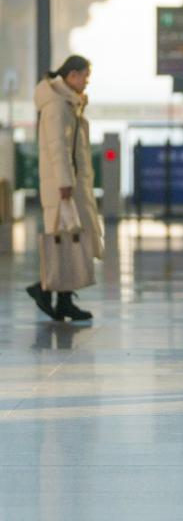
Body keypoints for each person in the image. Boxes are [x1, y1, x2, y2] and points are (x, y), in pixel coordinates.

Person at [26, 55, 103, 322]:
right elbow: (57, 147)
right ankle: (43, 289)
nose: (86, 82)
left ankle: (63, 300)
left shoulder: (68, 103)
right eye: (84, 76)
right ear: (71, 76)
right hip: (63, 187)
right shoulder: (57, 106)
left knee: (69, 243)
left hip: (70, 183)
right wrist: (64, 183)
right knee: (63, 242)